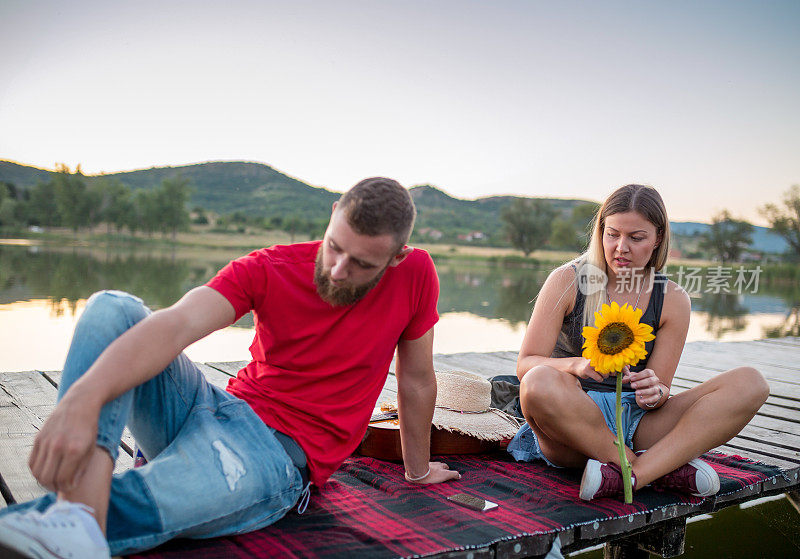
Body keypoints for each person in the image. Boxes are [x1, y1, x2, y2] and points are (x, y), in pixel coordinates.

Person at [0, 177, 461, 559]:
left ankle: (72, 520)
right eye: (334, 247)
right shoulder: (269, 267)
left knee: (133, 504)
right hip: (208, 406)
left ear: (397, 256)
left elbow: (416, 379)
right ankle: (77, 519)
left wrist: (417, 470)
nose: (339, 269)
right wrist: (83, 397)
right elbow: (177, 322)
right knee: (113, 307)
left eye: (361, 263)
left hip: (273, 456)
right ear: (334, 211)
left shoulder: (416, 273)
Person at [507, 184, 769, 501]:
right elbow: (526, 364)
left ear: (658, 238)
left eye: (636, 237)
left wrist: (654, 391)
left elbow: (659, 394)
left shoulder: (672, 299)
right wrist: (576, 365)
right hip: (570, 425)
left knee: (750, 383)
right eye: (612, 234)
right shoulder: (568, 280)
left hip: (636, 423)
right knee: (537, 382)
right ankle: (658, 469)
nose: (621, 247)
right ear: (600, 232)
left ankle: (631, 476)